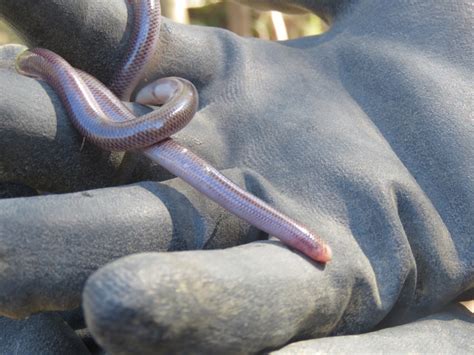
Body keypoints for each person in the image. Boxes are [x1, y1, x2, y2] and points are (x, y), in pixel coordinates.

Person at [0, 0, 472, 353]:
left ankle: (43, 65)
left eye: (313, 246)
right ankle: (40, 63)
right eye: (312, 246)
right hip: (144, 105)